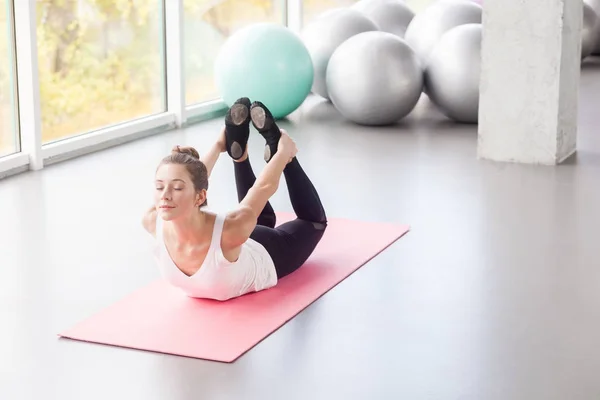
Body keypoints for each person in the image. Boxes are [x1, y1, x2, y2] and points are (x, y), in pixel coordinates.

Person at [142, 98, 328, 301]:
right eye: (159, 186)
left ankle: (279, 156)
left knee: (314, 224)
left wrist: (284, 154)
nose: (165, 195)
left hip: (263, 252)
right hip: (236, 244)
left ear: (200, 196)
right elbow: (194, 182)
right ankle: (242, 155)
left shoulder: (229, 230)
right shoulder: (154, 220)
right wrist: (217, 146)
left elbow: (263, 188)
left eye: (176, 187)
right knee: (257, 219)